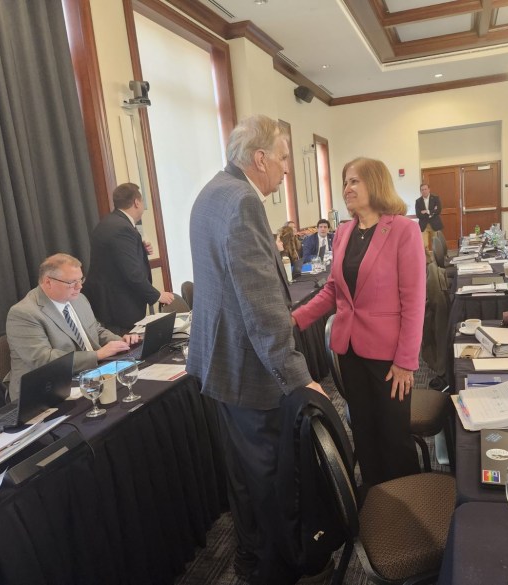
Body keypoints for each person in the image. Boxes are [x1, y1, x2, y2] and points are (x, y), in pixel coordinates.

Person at [186, 115, 326, 585]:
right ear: (260, 157)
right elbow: (261, 303)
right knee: (269, 477)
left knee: (243, 475)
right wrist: (296, 373)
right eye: (284, 158)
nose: (287, 169)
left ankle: (248, 559)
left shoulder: (212, 191)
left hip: (221, 364)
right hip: (249, 368)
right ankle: (276, 569)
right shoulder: (243, 200)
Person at [293, 157, 426, 487]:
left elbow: (414, 302)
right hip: (349, 350)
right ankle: (376, 499)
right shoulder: (343, 232)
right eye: (345, 182)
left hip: (390, 357)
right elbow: (333, 291)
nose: (347, 188)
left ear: (376, 184)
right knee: (364, 431)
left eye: (355, 181)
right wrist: (294, 320)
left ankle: (407, 503)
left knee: (394, 435)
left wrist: (407, 362)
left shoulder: (403, 230)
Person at [6, 254, 137, 401]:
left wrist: (120, 342)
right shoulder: (24, 313)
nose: (79, 287)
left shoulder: (79, 299)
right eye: (71, 282)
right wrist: (98, 355)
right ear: (48, 282)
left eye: (81, 280)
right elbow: (43, 360)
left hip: (89, 375)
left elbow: (95, 330)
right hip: (46, 390)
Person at [82, 183, 174, 334]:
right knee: (129, 349)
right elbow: (132, 272)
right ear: (137, 202)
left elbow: (116, 259)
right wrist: (157, 295)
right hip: (119, 306)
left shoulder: (109, 223)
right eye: (142, 202)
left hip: (107, 302)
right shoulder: (122, 228)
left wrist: (140, 250)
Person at [415, 183, 443, 252]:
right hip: (424, 225)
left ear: (429, 189)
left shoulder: (435, 198)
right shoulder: (418, 201)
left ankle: (438, 260)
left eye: (425, 189)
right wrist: (432, 211)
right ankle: (428, 260)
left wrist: (427, 211)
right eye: (422, 190)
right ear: (420, 191)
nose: (424, 191)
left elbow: (438, 210)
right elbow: (418, 214)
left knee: (436, 244)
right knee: (424, 245)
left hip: (435, 224)